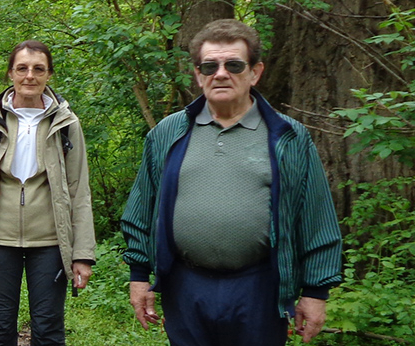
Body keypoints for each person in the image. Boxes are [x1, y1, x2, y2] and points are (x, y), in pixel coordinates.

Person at [121, 19, 343, 345]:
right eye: (209, 66)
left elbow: (316, 217)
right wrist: (139, 278)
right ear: (198, 75)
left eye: (234, 64)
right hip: (185, 285)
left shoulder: (288, 137)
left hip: (259, 287)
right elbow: (141, 209)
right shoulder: (168, 134)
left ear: (255, 72)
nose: (220, 73)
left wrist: (315, 292)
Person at [0, 40, 96, 345]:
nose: (30, 75)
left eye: (38, 69)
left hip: (51, 242)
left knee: (49, 329)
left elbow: (79, 191)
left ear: (49, 74)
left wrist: (82, 254)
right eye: (22, 68)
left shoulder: (66, 124)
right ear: (10, 74)